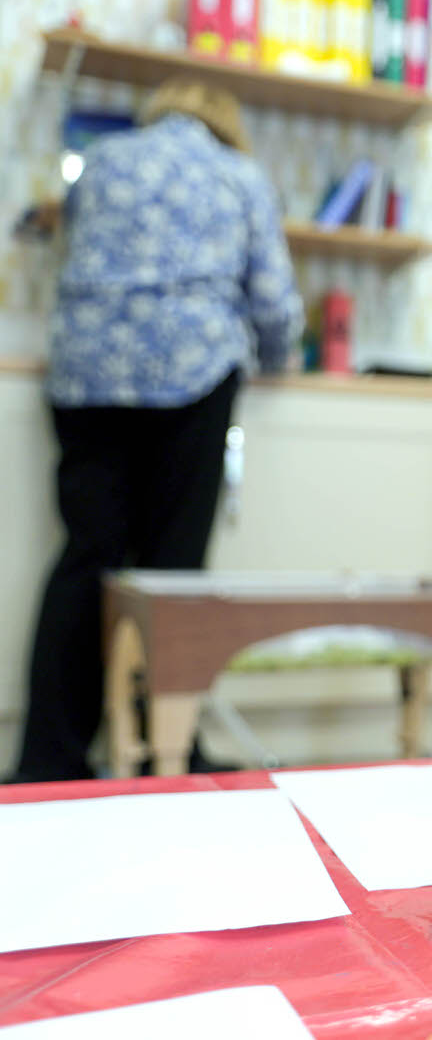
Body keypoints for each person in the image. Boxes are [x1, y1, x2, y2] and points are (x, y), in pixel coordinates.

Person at [9, 79, 302, 783]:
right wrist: (277, 356)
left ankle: (48, 760)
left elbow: (74, 249)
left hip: (86, 376)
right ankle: (165, 756)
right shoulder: (240, 174)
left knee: (88, 558)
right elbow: (273, 298)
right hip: (190, 369)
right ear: (225, 122)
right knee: (171, 575)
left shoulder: (101, 159)